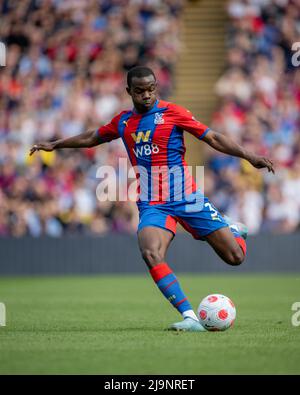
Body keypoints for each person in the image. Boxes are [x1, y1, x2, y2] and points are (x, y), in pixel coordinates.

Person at [30, 66, 274, 332]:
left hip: (186, 196)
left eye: (151, 89)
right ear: (129, 92)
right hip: (152, 202)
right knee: (150, 252)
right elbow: (92, 137)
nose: (146, 95)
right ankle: (191, 317)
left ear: (156, 87)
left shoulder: (173, 113)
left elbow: (212, 137)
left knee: (235, 257)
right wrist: (56, 144)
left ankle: (234, 230)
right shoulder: (123, 122)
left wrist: (250, 157)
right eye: (140, 91)